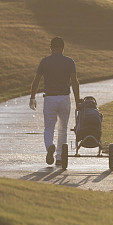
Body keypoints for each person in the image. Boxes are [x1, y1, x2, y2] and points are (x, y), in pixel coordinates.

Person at [29, 37, 81, 166]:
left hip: (50, 99)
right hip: (64, 98)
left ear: (51, 47)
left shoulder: (45, 62)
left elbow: (36, 80)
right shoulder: (69, 62)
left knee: (49, 128)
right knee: (63, 129)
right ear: (63, 48)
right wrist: (78, 100)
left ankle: (49, 147)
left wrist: (32, 97)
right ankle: (59, 157)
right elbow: (74, 81)